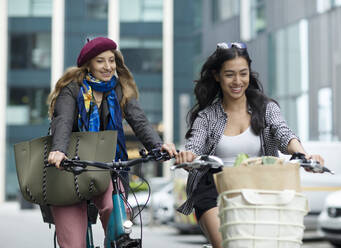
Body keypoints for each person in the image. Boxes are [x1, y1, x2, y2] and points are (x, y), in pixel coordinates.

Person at [174, 42, 324, 248]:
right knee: (228, 244)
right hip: (213, 189)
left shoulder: (266, 108)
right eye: (229, 75)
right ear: (217, 76)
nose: (237, 81)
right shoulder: (207, 117)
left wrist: (303, 155)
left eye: (243, 74)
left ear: (249, 74)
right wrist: (188, 155)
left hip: (258, 186)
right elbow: (195, 143)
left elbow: (284, 133)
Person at [47, 36, 177, 248]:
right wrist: (59, 150)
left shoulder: (119, 89)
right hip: (69, 169)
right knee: (73, 243)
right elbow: (63, 120)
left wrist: (157, 145)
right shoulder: (72, 89)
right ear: (88, 64)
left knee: (117, 211)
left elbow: (139, 120)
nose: (108, 67)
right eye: (100, 61)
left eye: (111, 60)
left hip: (106, 167)